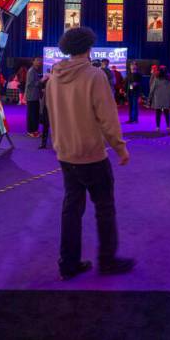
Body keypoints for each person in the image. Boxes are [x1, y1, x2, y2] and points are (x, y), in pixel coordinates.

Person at [44, 27, 134, 279]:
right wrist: (120, 147)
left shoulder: (53, 78)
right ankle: (107, 260)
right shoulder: (94, 76)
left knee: (71, 208)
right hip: (92, 155)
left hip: (65, 154)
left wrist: (58, 143)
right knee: (104, 207)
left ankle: (68, 263)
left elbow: (50, 115)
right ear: (88, 48)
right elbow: (107, 117)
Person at [148, 66, 170, 131]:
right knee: (166, 113)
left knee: (158, 113)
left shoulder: (156, 80)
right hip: (166, 99)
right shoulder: (169, 80)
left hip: (158, 99)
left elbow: (152, 90)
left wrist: (149, 98)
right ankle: (168, 126)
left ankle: (157, 127)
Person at [25, 57, 44, 138]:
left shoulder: (35, 71)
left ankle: (35, 130)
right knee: (32, 114)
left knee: (35, 114)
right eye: (37, 60)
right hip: (31, 96)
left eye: (40, 60)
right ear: (33, 61)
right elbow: (30, 84)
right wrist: (41, 81)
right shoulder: (31, 71)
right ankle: (30, 131)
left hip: (35, 96)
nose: (39, 62)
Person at [39, 73, 51, 150]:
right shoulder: (47, 79)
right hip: (47, 106)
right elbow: (39, 87)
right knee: (46, 126)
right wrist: (42, 81)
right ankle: (43, 143)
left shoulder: (59, 80)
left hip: (55, 107)